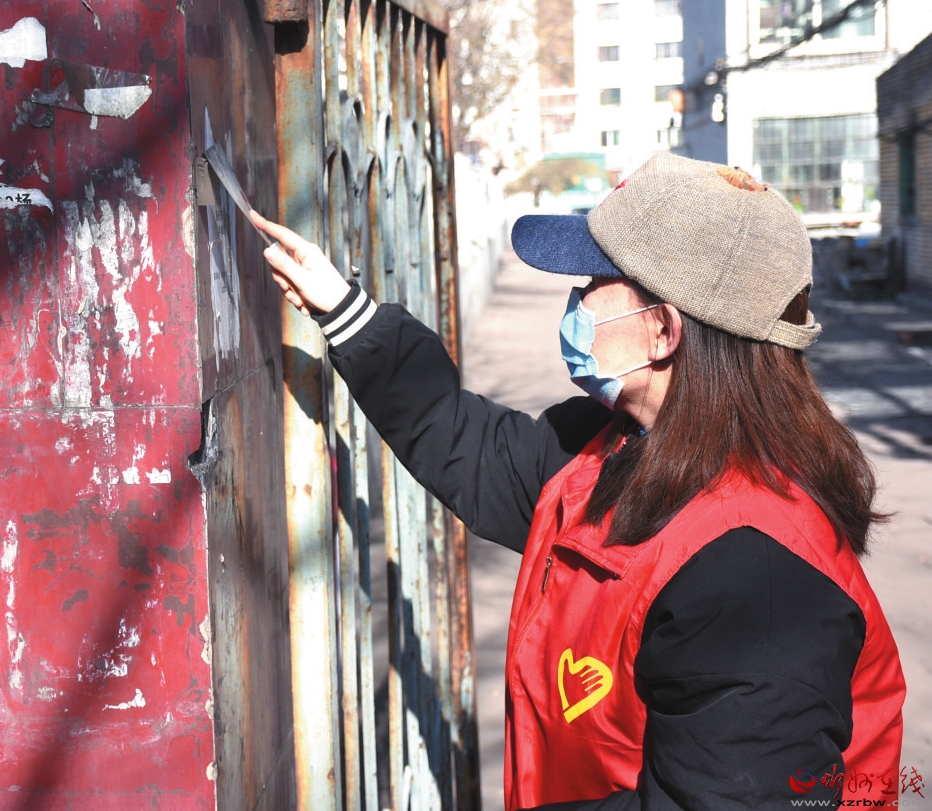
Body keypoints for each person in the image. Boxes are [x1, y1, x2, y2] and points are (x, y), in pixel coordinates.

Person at [249, 152, 905, 810]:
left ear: (662, 330)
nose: (576, 301)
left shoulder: (757, 583)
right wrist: (343, 309)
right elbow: (471, 446)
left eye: (593, 282)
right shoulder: (618, 444)